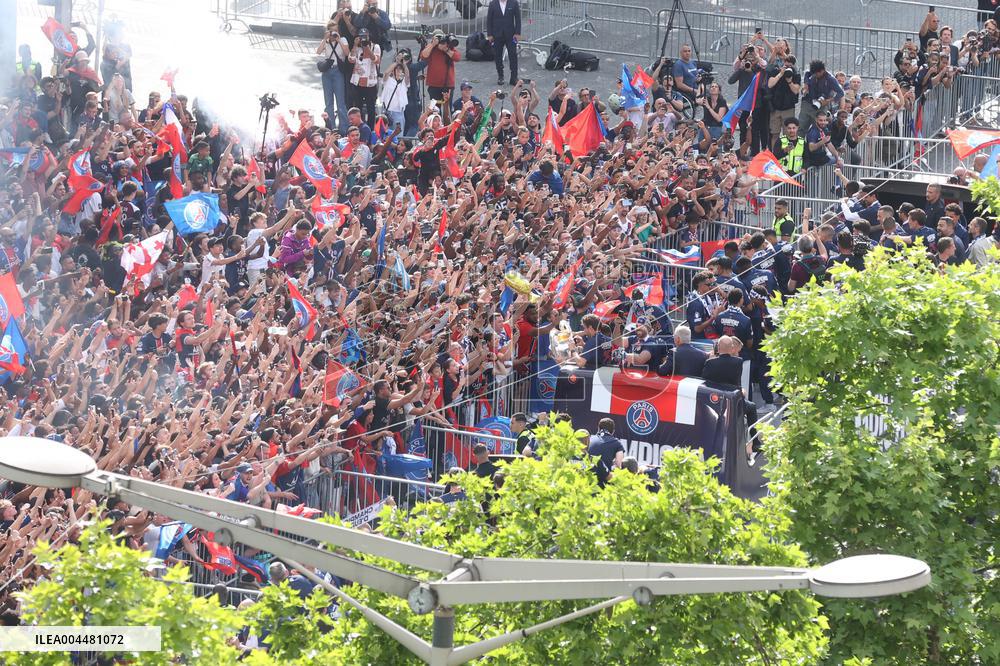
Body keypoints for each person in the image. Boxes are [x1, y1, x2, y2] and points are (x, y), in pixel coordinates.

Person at [317, 20, 351, 133]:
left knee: (340, 102)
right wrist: (324, 38)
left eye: (336, 31)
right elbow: (318, 51)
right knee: (328, 103)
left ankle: (344, 129)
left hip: (338, 71)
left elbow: (346, 53)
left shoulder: (343, 39)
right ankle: (330, 129)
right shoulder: (326, 41)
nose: (333, 33)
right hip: (327, 72)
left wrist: (338, 40)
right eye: (331, 31)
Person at [798, 60, 844, 133]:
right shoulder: (812, 72)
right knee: (801, 128)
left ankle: (816, 144)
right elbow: (807, 73)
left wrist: (828, 101)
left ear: (822, 70)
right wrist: (806, 84)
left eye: (817, 73)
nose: (815, 75)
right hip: (807, 103)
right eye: (813, 73)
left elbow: (841, 93)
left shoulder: (830, 79)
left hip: (821, 106)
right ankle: (799, 144)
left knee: (818, 130)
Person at [348, 28, 381, 127]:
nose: (363, 39)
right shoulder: (356, 48)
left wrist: (366, 47)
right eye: (361, 36)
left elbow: (376, 60)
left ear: (368, 36)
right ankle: (358, 128)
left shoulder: (375, 47)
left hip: (370, 83)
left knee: (371, 109)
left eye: (365, 36)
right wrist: (354, 45)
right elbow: (351, 59)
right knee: (358, 108)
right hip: (357, 82)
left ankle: (370, 129)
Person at [486, 0, 522, 86]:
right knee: (497, 56)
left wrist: (517, 33)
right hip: (496, 35)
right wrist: (489, 34)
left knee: (513, 55)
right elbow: (489, 20)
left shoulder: (514, 3)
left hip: (511, 35)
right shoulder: (492, 4)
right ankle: (500, 76)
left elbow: (517, 19)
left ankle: (514, 78)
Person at [421, 30, 461, 102]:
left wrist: (446, 49)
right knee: (435, 109)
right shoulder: (431, 46)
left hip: (448, 84)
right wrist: (433, 45)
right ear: (433, 38)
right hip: (434, 85)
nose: (439, 39)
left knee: (447, 109)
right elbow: (423, 56)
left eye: (440, 37)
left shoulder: (448, 46)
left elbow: (457, 57)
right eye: (437, 37)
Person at [587, 418, 624, 488]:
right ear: (613, 431)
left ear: (598, 428)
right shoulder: (617, 443)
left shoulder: (590, 439)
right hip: (603, 485)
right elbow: (619, 465)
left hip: (586, 482)